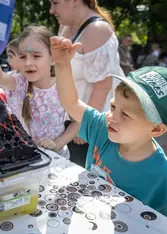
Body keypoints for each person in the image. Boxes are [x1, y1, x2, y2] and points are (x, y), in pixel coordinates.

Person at [50, 36, 167, 226]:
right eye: (113, 107)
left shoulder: (165, 178)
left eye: (126, 115)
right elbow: (71, 103)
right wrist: (62, 64)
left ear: (156, 129)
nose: (112, 117)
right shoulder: (103, 128)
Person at [0, 25, 77, 158]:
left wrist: (58, 143)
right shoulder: (18, 83)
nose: (28, 63)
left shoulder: (62, 86)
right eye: (23, 57)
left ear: (53, 58)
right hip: (24, 159)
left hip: (57, 160)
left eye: (36, 56)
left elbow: (77, 121)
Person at [49, 0, 123, 166]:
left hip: (89, 129)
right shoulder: (66, 27)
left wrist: (82, 126)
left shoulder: (97, 30)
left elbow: (102, 87)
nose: (51, 11)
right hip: (69, 120)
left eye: (55, 3)